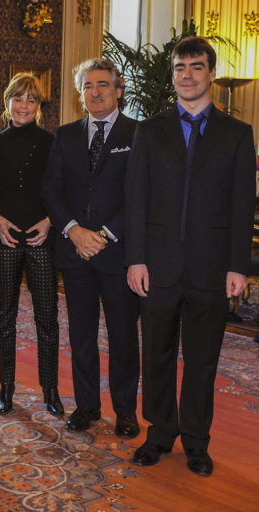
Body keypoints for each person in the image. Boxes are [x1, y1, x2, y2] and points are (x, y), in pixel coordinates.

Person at [126, 36, 255, 476]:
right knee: (156, 354)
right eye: (180, 68)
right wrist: (136, 258)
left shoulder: (238, 134)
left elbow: (242, 204)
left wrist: (239, 265)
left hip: (213, 268)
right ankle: (160, 434)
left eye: (196, 67)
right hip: (157, 266)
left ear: (211, 74)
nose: (186, 75)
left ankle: (197, 441)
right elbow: (136, 199)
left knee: (202, 359)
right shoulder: (150, 129)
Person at [42, 58, 140, 439]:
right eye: (87, 86)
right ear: (79, 93)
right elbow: (51, 189)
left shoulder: (138, 133)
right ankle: (86, 406)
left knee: (122, 336)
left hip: (117, 253)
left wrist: (102, 234)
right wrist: (74, 232)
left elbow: (139, 195)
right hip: (75, 252)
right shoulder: (64, 135)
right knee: (81, 334)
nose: (95, 92)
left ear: (118, 90)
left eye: (102, 84)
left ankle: (126, 411)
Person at [0, 73, 61, 417]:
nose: (24, 105)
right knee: (4, 317)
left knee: (47, 319)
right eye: (18, 98)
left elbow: (61, 191)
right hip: (4, 240)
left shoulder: (53, 143)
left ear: (38, 107)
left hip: (42, 239)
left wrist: (50, 221)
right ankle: (5, 388)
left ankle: (50, 390)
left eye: (31, 100)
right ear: (6, 101)